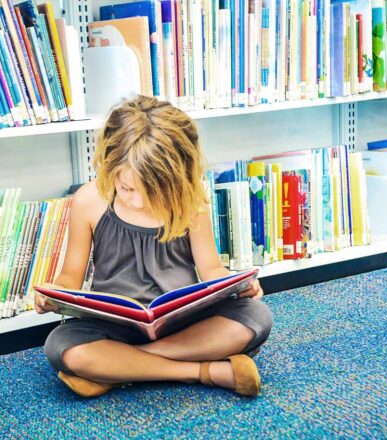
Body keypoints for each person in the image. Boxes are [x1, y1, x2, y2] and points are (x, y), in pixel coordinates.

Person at [36, 96, 273, 398]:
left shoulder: (190, 203)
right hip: (114, 325)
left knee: (256, 316)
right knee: (62, 346)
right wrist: (54, 297)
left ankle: (119, 368)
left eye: (154, 192)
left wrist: (236, 285)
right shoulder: (88, 201)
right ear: (109, 166)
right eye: (127, 189)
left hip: (182, 321)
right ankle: (202, 371)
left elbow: (211, 268)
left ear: (178, 179)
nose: (139, 201)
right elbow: (70, 275)